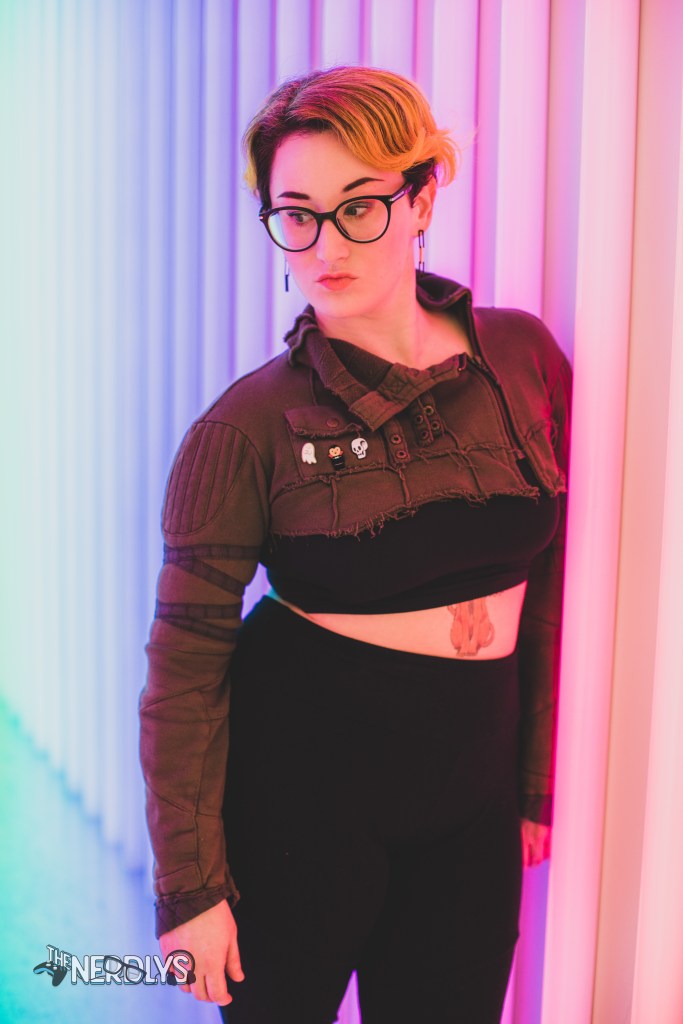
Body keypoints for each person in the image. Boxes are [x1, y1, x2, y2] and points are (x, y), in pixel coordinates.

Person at [138, 65, 572, 1024]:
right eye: (296, 214)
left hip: (470, 792)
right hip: (298, 795)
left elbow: (551, 585)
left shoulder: (522, 358)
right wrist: (189, 892)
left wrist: (531, 783)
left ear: (421, 199)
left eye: (358, 207)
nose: (325, 245)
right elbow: (182, 673)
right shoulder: (244, 427)